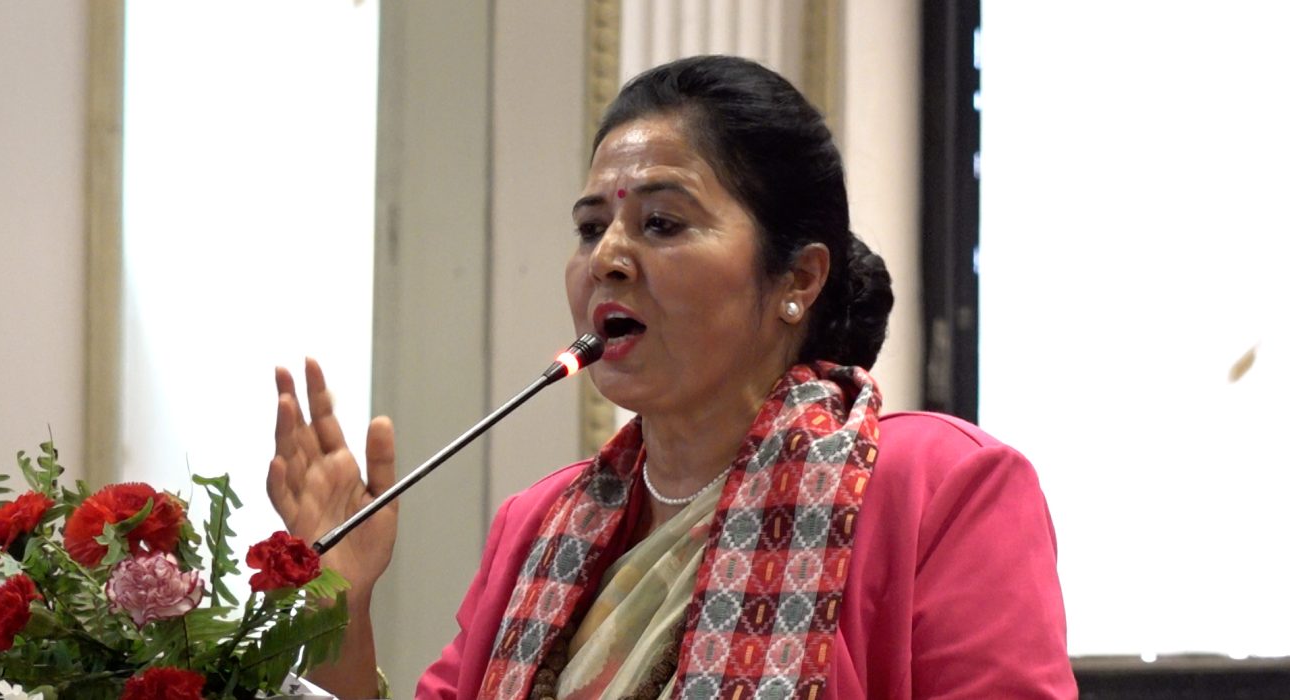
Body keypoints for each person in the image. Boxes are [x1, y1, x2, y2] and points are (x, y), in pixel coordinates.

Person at [268, 55, 1077, 699]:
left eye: (661, 222)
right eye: (591, 228)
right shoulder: (537, 527)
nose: (608, 259)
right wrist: (339, 602)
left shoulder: (941, 489)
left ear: (798, 278)